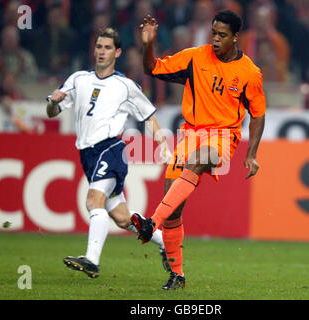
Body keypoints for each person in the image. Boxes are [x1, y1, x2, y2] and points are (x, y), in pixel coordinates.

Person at [131, 10, 266, 290]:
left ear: (235, 37)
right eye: (213, 33)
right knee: (174, 206)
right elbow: (152, 68)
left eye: (222, 35)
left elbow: (258, 114)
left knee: (198, 160)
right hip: (190, 133)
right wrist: (148, 45)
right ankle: (177, 275)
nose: (215, 40)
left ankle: (150, 224)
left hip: (222, 137)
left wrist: (251, 153)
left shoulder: (249, 73)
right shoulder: (195, 57)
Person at [46, 27, 172, 279]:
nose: (102, 52)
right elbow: (52, 113)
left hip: (110, 149)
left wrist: (164, 146)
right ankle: (167, 244)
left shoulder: (124, 86)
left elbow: (148, 115)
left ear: (118, 52)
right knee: (122, 218)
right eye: (99, 47)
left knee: (93, 202)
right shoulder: (78, 79)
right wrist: (53, 101)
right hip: (87, 154)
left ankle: (92, 260)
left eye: (107, 48)